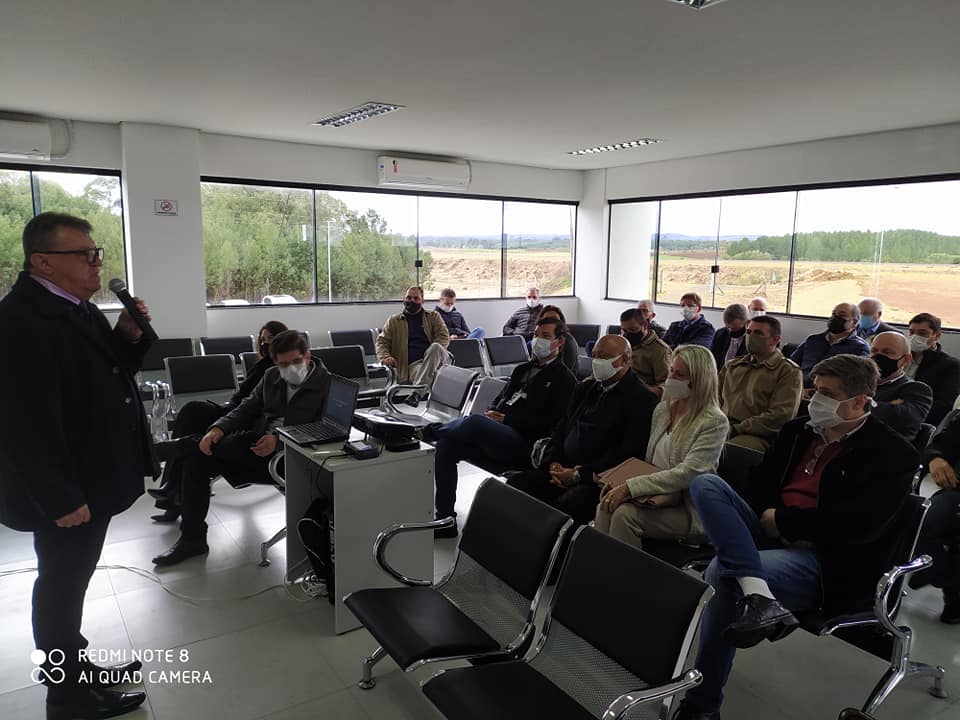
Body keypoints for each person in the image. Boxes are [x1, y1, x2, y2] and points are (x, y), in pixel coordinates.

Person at [673, 354, 916, 720]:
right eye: (815, 390)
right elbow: (758, 486)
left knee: (723, 574)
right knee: (706, 483)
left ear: (860, 401)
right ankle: (759, 594)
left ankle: (702, 708)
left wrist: (785, 521)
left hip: (823, 559)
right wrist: (766, 518)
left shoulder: (892, 453)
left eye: (827, 394)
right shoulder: (798, 432)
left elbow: (860, 526)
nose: (814, 400)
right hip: (768, 531)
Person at [0, 213, 156, 719]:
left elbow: (109, 374)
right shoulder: (20, 321)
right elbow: (23, 424)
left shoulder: (74, 307)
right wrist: (61, 498)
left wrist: (128, 334)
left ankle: (75, 666)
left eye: (96, 253)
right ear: (42, 261)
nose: (95, 264)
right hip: (67, 488)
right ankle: (65, 696)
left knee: (72, 579)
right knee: (61, 585)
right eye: (83, 255)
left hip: (91, 473)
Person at [152, 331, 330, 566]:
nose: (290, 369)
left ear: (307, 356)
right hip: (257, 450)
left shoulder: (328, 385)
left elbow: (326, 429)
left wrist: (279, 440)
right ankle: (192, 539)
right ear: (275, 362)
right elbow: (246, 407)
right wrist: (218, 429)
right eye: (283, 364)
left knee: (233, 442)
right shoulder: (271, 376)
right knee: (199, 459)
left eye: (296, 362)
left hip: (293, 459)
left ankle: (182, 446)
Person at [430, 317, 576, 538]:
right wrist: (494, 413)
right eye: (536, 335)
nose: (538, 340)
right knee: (447, 445)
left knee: (475, 423)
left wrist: (507, 420)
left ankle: (428, 431)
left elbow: (551, 426)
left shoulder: (564, 380)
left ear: (560, 342)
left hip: (527, 444)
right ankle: (445, 519)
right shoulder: (522, 370)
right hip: (500, 436)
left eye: (545, 336)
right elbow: (499, 399)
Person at [506, 335, 659, 524]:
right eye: (595, 356)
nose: (597, 362)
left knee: (564, 508)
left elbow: (627, 453)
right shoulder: (587, 388)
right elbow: (561, 428)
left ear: (625, 359)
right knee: (515, 486)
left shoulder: (641, 399)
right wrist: (555, 461)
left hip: (597, 479)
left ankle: (553, 550)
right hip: (562, 467)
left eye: (604, 357)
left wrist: (579, 474)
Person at [150, 320, 289, 522]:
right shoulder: (263, 366)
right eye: (262, 340)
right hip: (234, 411)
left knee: (194, 420)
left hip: (249, 422)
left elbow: (258, 407)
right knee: (192, 411)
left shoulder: (276, 370)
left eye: (271, 340)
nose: (266, 344)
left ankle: (172, 489)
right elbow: (243, 401)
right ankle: (172, 489)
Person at [594, 344, 728, 549]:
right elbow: (649, 462)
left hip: (687, 506)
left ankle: (622, 579)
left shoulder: (713, 422)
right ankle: (597, 572)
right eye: (672, 371)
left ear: (699, 380)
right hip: (654, 494)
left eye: (680, 375)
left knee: (624, 515)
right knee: (606, 505)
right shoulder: (663, 410)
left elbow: (689, 473)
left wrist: (631, 487)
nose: (671, 379)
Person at [719, 315, 802, 452]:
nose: (751, 336)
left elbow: (780, 415)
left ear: (775, 340)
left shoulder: (787, 371)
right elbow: (713, 399)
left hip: (757, 435)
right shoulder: (733, 365)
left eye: (758, 333)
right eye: (749, 332)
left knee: (728, 452)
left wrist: (737, 429)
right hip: (723, 425)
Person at [911, 410, 960, 623]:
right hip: (956, 490)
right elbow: (938, 445)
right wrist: (936, 458)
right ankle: (944, 576)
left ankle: (952, 589)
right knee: (919, 520)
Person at [376, 285, 450, 386]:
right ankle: (419, 394)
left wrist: (429, 355)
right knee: (435, 378)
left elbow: (444, 337)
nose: (412, 301)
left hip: (438, 360)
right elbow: (382, 342)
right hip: (414, 365)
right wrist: (385, 357)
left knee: (436, 346)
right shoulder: (394, 321)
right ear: (404, 299)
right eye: (409, 298)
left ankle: (416, 394)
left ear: (422, 301)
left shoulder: (433, 316)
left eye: (416, 298)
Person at [790, 302, 870, 393]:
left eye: (841, 315)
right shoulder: (813, 340)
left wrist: (812, 392)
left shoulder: (860, 347)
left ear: (854, 322)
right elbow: (791, 365)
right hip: (797, 389)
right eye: (833, 314)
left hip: (829, 395)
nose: (835, 318)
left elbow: (857, 381)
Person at [870, 331, 933, 443]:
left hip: (885, 451)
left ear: (906, 359)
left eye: (887, 352)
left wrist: (856, 405)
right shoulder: (857, 382)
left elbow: (901, 417)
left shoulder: (917, 389)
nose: (878, 356)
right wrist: (886, 406)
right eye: (874, 351)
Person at [907, 312, 960, 427]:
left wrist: (909, 412)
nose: (914, 337)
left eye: (922, 333)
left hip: (922, 422)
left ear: (937, 336)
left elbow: (943, 405)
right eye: (911, 332)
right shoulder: (900, 357)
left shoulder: (950, 366)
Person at [619, 307, 670, 390]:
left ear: (645, 325)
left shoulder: (660, 350)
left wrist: (644, 391)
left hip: (641, 395)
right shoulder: (620, 343)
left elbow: (666, 384)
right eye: (624, 330)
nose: (627, 334)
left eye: (632, 329)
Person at [537, 304, 579, 373]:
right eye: (547, 319)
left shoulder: (569, 341)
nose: (550, 322)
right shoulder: (538, 339)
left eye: (554, 319)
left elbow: (566, 372)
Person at [710, 303, 750, 371]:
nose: (730, 331)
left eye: (735, 329)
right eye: (728, 327)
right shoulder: (720, 334)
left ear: (747, 323)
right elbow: (712, 359)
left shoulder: (752, 340)